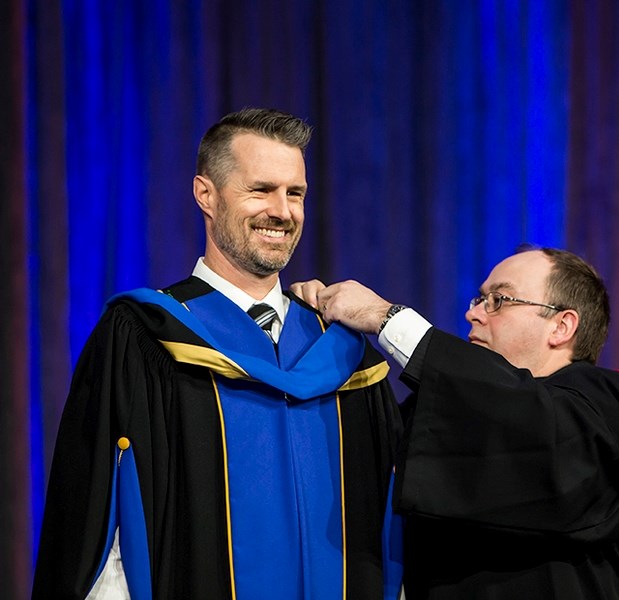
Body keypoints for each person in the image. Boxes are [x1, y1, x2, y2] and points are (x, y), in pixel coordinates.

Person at [33, 108, 404, 599]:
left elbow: (391, 519)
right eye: (261, 190)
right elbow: (106, 530)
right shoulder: (146, 337)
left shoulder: (343, 351)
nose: (283, 211)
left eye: (295, 194)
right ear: (205, 195)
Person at [292, 246, 619, 599]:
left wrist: (385, 318)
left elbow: (523, 422)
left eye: (499, 301)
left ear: (562, 326)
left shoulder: (606, 406)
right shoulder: (450, 415)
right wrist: (303, 334)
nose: (473, 313)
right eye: (478, 299)